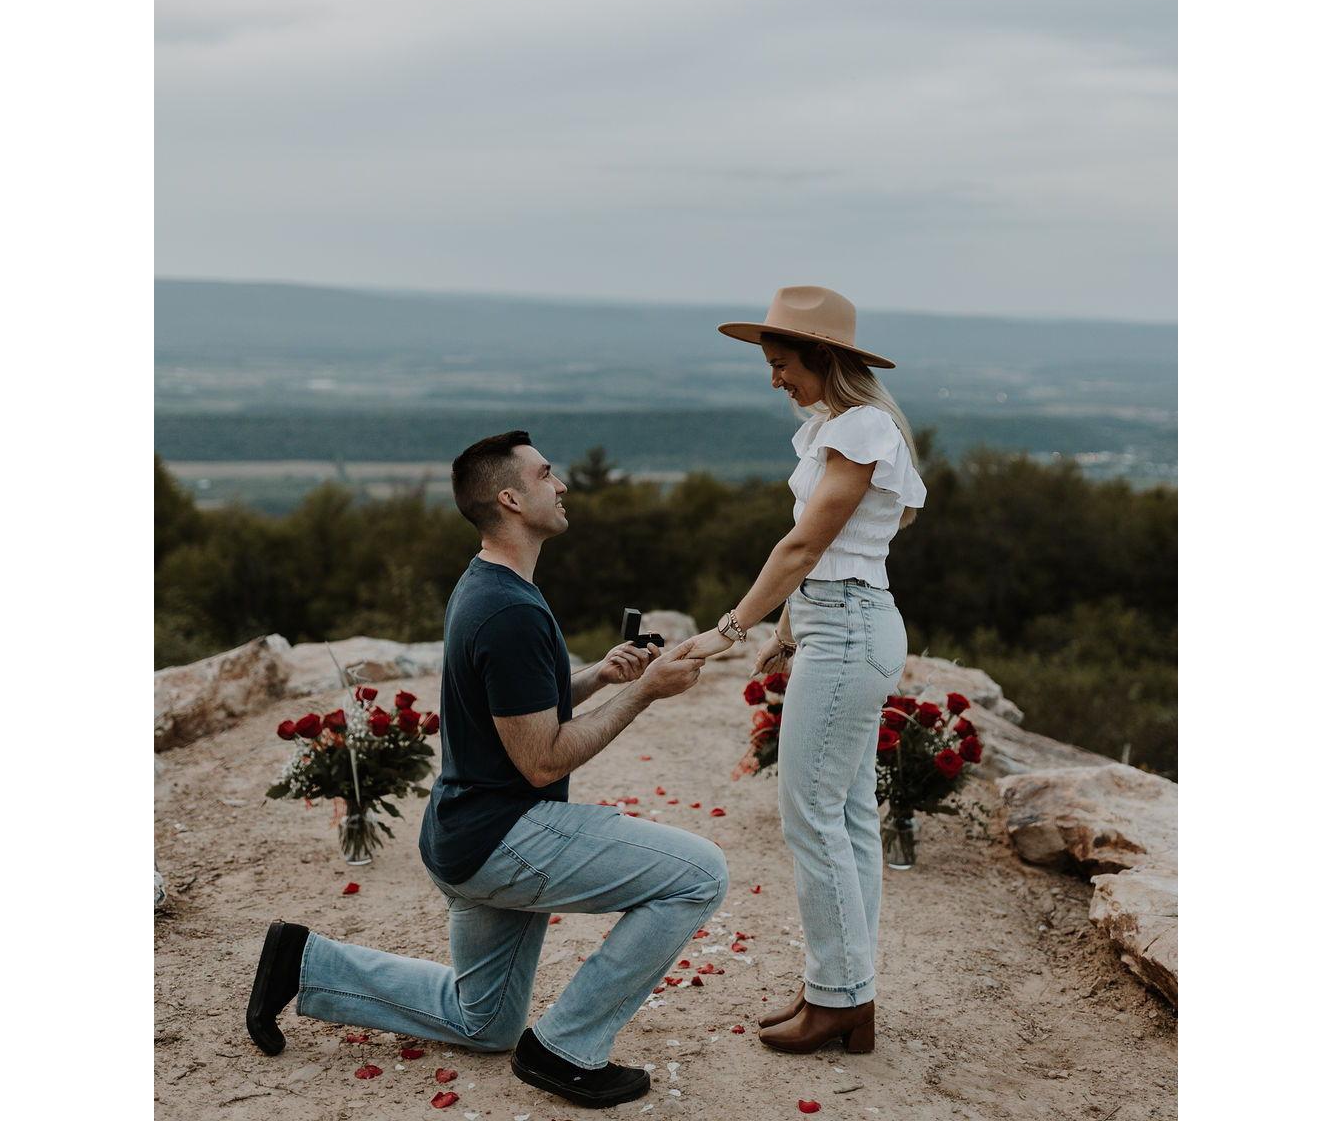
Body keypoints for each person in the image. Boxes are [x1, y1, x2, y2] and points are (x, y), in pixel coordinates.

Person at [246, 431, 723, 1110]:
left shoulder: (489, 584)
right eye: (547, 474)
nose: (561, 485)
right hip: (504, 838)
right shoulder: (508, 612)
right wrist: (645, 692)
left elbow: (516, 714)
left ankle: (304, 962)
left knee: (486, 1022)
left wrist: (597, 676)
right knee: (700, 874)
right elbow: (542, 760)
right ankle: (565, 1049)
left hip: (465, 835)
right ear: (511, 499)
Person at [675, 286, 926, 1057]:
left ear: (823, 357)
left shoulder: (863, 428)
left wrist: (729, 629)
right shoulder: (835, 428)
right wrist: (787, 631)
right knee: (843, 814)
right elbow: (828, 551)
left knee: (811, 814)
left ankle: (840, 997)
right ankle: (844, 989)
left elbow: (805, 547)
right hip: (836, 623)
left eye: (782, 362)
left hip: (850, 629)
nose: (774, 378)